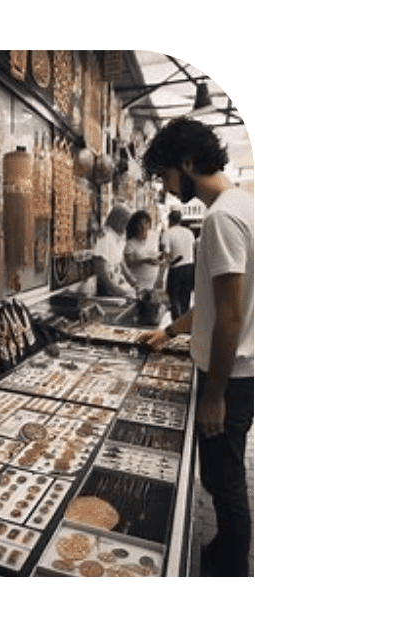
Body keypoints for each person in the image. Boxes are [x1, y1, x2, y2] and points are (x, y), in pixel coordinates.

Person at [138, 117, 254, 577]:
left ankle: (228, 570)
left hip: (231, 377)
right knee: (224, 479)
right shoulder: (243, 204)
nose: (168, 188)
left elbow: (230, 315)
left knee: (225, 484)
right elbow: (213, 306)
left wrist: (213, 396)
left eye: (167, 175)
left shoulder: (223, 217)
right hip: (242, 372)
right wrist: (169, 333)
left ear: (188, 162)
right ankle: (226, 551)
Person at [92, 203, 138, 298]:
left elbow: (120, 260)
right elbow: (100, 268)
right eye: (125, 221)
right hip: (106, 288)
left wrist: (131, 280)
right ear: (118, 220)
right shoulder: (105, 236)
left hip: (116, 284)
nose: (127, 226)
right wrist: (114, 288)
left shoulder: (121, 236)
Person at [161, 210, 197, 318]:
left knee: (174, 298)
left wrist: (164, 263)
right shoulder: (189, 232)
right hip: (190, 268)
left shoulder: (167, 233)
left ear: (169, 220)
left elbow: (166, 253)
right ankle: (184, 327)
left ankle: (176, 325)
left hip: (176, 269)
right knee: (185, 298)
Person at [124, 211, 162, 292]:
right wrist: (145, 261)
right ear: (135, 227)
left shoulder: (154, 236)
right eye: (140, 225)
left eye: (146, 224)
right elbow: (129, 264)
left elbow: (157, 253)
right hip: (137, 284)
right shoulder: (130, 243)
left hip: (152, 283)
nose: (144, 227)